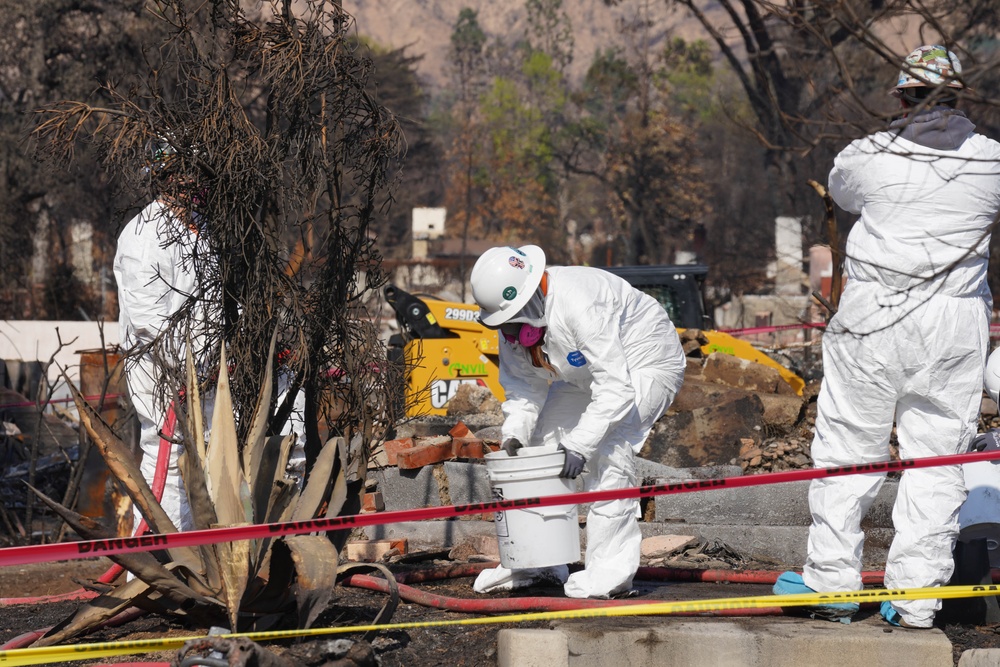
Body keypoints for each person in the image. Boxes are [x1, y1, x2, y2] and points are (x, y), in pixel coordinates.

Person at [774, 45, 1000, 628]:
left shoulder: (868, 156)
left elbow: (842, 193)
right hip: (954, 326)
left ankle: (831, 584)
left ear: (900, 97)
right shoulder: (991, 162)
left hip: (876, 317)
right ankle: (918, 601)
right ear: (959, 97)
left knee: (849, 449)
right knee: (938, 459)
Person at [469, 244, 686, 599]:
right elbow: (524, 387)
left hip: (646, 362)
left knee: (608, 453)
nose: (511, 331)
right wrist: (515, 436)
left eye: (514, 320)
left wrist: (579, 445)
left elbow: (616, 388)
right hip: (585, 375)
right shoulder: (511, 321)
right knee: (539, 451)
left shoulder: (580, 303)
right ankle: (536, 561)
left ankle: (609, 576)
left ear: (532, 294)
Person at [114, 139, 210, 533]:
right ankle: (161, 555)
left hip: (201, 365)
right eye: (180, 173)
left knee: (204, 456)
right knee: (167, 457)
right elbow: (147, 317)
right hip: (158, 365)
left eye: (194, 172)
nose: (189, 181)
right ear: (163, 177)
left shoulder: (200, 229)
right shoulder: (142, 234)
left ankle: (196, 551)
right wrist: (187, 363)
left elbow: (214, 297)